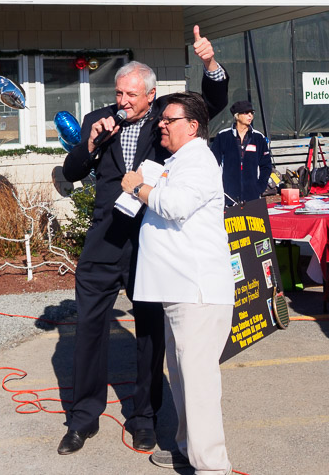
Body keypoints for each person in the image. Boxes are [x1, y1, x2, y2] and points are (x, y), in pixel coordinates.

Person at [58, 26, 228, 455]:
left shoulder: (166, 123)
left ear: (150, 96)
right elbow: (74, 169)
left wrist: (210, 64)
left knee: (150, 332)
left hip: (149, 242)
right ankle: (82, 417)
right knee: (89, 327)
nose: (123, 102)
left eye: (131, 96)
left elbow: (210, 106)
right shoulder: (99, 118)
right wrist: (93, 141)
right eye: (119, 93)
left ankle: (144, 417)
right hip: (104, 237)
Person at [121, 92, 234, 474]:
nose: (161, 125)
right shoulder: (178, 161)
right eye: (161, 119)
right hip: (177, 291)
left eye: (169, 119)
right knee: (184, 379)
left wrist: (136, 187)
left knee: (199, 384)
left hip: (196, 292)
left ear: (193, 125)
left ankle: (212, 466)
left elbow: (174, 206)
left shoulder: (198, 161)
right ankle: (188, 448)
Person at [210, 99, 272, 204]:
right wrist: (219, 187)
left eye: (252, 113)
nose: (250, 116)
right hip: (228, 195)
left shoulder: (258, 137)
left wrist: (260, 187)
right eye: (246, 113)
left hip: (252, 195)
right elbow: (213, 164)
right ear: (237, 116)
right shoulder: (223, 136)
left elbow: (266, 165)